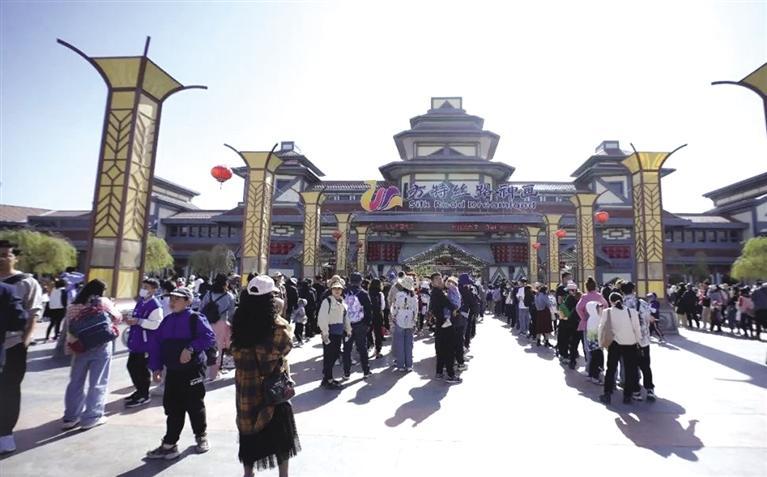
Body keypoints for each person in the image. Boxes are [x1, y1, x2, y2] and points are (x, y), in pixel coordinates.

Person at [232, 275, 300, 477]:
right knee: (281, 437)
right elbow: (286, 346)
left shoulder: (239, 321)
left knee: (248, 433)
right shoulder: (277, 326)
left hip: (246, 387)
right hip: (271, 388)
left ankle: (248, 473)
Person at [146, 287, 216, 459]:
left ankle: (201, 436)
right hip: (173, 371)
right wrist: (156, 367)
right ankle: (170, 444)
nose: (172, 302)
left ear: (188, 301)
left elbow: (208, 337)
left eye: (177, 299)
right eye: (171, 298)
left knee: (195, 404)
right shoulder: (167, 321)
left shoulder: (195, 318)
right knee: (173, 407)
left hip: (193, 370)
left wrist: (190, 348)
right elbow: (157, 344)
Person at [0, 240, 43, 454]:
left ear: (15, 257)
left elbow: (33, 314)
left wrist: (24, 342)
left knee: (8, 389)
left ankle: (5, 433)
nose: (1, 258)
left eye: (6, 254)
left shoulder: (26, 282)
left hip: (13, 344)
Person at [62, 279, 122, 430]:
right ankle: (91, 417)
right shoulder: (103, 302)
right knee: (98, 382)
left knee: (75, 382)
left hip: (80, 347)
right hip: (101, 346)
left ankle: (71, 417)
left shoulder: (73, 306)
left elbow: (70, 328)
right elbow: (118, 318)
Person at [125, 278, 164, 408]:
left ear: (154, 290)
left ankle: (144, 394)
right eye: (143, 286)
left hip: (146, 343)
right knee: (132, 366)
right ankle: (139, 390)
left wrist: (139, 321)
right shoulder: (141, 301)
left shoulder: (155, 306)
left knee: (141, 369)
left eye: (146, 287)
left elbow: (156, 324)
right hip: (136, 341)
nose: (143, 289)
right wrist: (131, 320)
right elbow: (136, 316)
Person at [599, 292, 641, 405]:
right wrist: (639, 342)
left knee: (611, 369)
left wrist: (600, 343)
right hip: (630, 343)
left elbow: (601, 328)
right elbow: (637, 329)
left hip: (615, 343)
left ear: (610, 301)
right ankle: (627, 396)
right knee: (630, 370)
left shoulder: (607, 312)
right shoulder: (632, 312)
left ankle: (607, 393)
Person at [621, 282, 656, 402]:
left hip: (628, 340)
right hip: (643, 339)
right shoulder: (642, 303)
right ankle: (650, 389)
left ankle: (636, 391)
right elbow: (648, 318)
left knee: (631, 367)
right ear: (633, 290)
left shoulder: (621, 305)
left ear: (622, 291)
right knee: (645, 365)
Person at [199, 274, 236, 381]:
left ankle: (204, 370)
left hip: (208, 323)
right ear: (225, 283)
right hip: (221, 324)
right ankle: (214, 373)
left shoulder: (209, 294)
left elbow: (201, 308)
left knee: (206, 345)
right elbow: (231, 313)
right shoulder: (229, 296)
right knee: (218, 348)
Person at [317, 276, 350, 390]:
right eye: (335, 288)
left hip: (338, 333)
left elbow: (345, 318)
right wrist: (325, 333)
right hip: (330, 333)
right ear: (331, 289)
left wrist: (348, 330)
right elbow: (322, 318)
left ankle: (327, 378)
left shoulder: (342, 301)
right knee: (329, 357)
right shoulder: (327, 301)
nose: (337, 290)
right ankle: (328, 379)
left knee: (335, 355)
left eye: (339, 288)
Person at [430, 273, 460, 383]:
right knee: (449, 350)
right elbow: (449, 304)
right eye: (436, 279)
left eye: (440, 279)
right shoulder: (438, 293)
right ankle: (450, 375)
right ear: (432, 282)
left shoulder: (437, 292)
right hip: (445, 324)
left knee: (441, 349)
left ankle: (439, 372)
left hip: (440, 324)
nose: (439, 280)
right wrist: (455, 308)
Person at [341, 272, 373, 380]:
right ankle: (366, 371)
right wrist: (367, 324)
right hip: (360, 324)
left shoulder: (344, 292)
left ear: (350, 281)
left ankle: (346, 373)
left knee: (347, 349)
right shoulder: (363, 293)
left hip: (347, 325)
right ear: (361, 281)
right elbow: (369, 310)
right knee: (362, 348)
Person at [576, 277, 608, 372]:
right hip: (599, 323)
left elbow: (578, 308)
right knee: (599, 346)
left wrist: (584, 317)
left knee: (589, 347)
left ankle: (589, 368)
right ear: (595, 286)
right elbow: (606, 306)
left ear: (586, 287)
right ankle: (600, 366)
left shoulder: (584, 297)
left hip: (588, 324)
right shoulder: (600, 296)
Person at [391, 276, 417, 371]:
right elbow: (416, 310)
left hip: (400, 317)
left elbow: (395, 307)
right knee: (409, 343)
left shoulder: (399, 295)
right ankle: (409, 364)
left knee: (400, 342)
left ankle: (401, 365)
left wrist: (393, 316)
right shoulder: (413, 296)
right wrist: (415, 320)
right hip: (410, 318)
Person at [368, 278, 386, 359]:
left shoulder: (367, 293)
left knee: (368, 332)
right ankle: (378, 351)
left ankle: (369, 347)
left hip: (369, 315)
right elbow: (383, 306)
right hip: (378, 315)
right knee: (378, 333)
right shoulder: (380, 294)